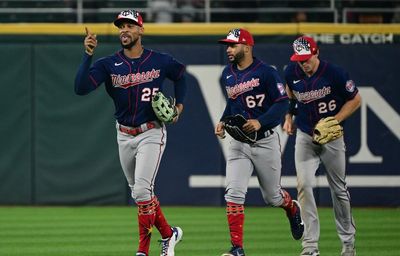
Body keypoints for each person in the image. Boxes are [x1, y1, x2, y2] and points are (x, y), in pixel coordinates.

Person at [74, 9, 187, 256]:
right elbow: (81, 88)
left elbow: (180, 76)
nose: (124, 30)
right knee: (141, 195)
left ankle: (142, 251)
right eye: (121, 26)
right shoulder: (108, 64)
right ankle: (169, 235)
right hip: (124, 134)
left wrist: (179, 106)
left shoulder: (160, 60)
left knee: (142, 191)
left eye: (130, 25)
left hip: (151, 132)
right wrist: (88, 54)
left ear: (141, 30)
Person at [215, 28, 304, 256]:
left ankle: (292, 208)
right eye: (227, 45)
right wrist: (223, 121)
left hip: (265, 141)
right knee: (233, 193)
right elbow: (232, 104)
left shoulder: (266, 72)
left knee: (273, 197)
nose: (228, 49)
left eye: (232, 45)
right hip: (239, 143)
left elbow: (282, 103)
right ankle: (237, 249)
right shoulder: (228, 73)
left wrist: (260, 122)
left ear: (247, 46)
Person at [283, 36, 360, 256]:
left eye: (306, 59)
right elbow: (290, 95)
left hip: (331, 137)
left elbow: (355, 100)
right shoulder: (291, 71)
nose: (303, 63)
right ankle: (310, 246)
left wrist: (335, 120)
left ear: (316, 53)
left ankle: (348, 244)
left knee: (339, 190)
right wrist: (289, 116)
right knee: (304, 186)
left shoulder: (334, 73)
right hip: (306, 135)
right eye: (300, 60)